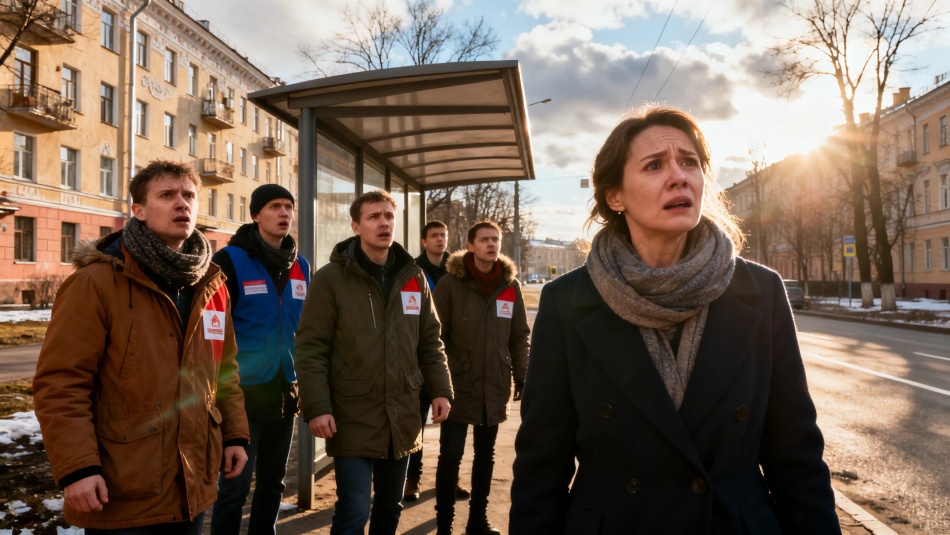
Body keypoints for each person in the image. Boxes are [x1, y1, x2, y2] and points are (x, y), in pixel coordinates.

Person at [509, 106, 840, 534]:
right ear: (615, 196)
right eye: (654, 165)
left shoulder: (760, 292)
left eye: (689, 162)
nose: (679, 176)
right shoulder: (568, 301)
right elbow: (541, 463)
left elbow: (796, 454)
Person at [32, 160, 249, 534]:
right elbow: (61, 383)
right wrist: (78, 468)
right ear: (139, 211)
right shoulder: (96, 283)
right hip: (122, 489)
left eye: (189, 195)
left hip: (192, 483)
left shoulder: (212, 285)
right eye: (167, 195)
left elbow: (224, 372)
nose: (182, 203)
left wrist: (234, 435)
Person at [295, 190, 454, 535]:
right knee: (353, 511)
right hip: (352, 413)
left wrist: (441, 389)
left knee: (389, 507)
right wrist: (317, 406)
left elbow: (430, 341)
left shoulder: (413, 278)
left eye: (388, 216)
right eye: (373, 217)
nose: (383, 223)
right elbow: (310, 348)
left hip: (402, 414)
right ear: (356, 226)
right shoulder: (330, 279)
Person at [210, 184, 310, 535]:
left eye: (288, 207)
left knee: (273, 483)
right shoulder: (230, 260)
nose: (284, 213)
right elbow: (215, 328)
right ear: (255, 215)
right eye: (274, 206)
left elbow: (306, 328)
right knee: (235, 487)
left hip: (285, 390)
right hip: (243, 393)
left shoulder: (301, 266)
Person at [434, 221, 530, 535]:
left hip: (494, 384)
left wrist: (522, 376)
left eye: (496, 239)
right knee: (451, 455)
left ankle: (477, 521)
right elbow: (435, 337)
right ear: (471, 246)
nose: (491, 244)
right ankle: (445, 524)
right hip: (457, 384)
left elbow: (518, 337)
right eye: (485, 239)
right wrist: (439, 384)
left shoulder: (509, 285)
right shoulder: (451, 284)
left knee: (485, 456)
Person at [405, 220, 471, 502]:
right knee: (416, 423)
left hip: (452, 358)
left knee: (452, 427)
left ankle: (449, 480)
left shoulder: (457, 271)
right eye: (434, 236)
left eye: (443, 235)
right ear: (424, 241)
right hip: (420, 356)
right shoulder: (411, 270)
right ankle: (412, 480)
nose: (440, 240)